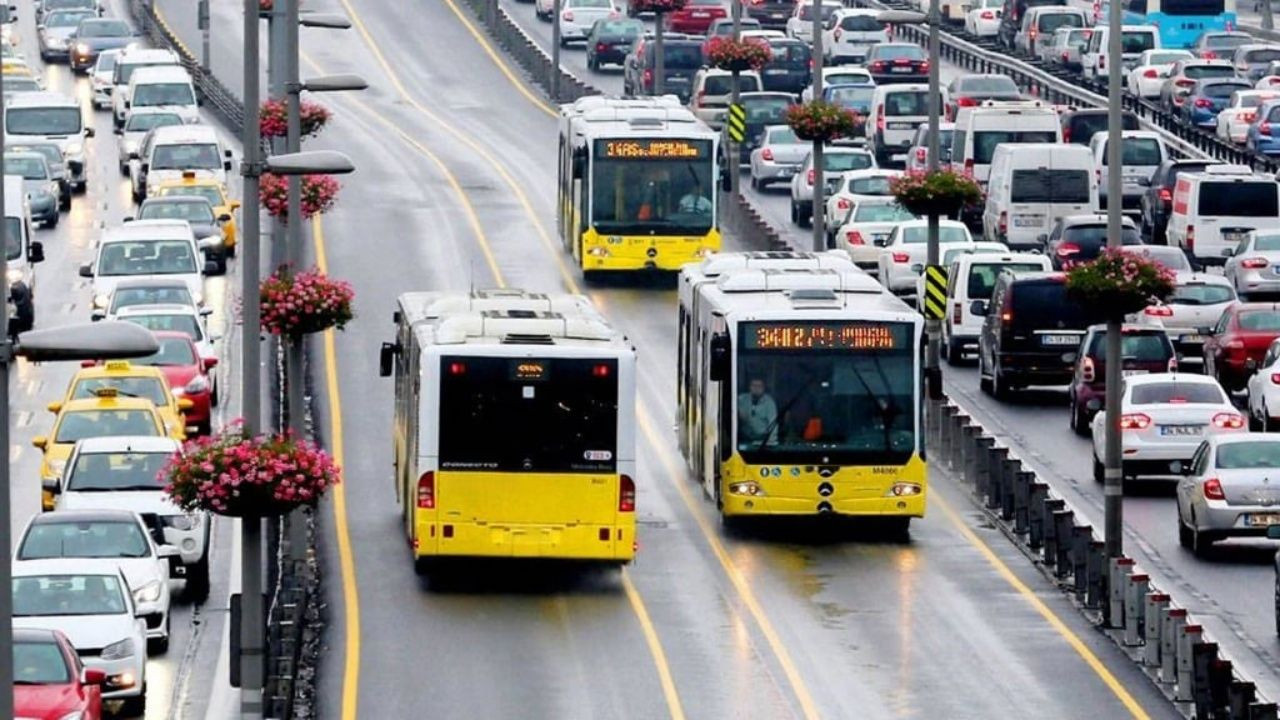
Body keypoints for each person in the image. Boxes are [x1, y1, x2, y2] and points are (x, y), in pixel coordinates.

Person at [738, 377, 778, 444]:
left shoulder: (769, 402)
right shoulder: (741, 399)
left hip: (762, 439)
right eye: (754, 385)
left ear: (764, 388)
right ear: (749, 387)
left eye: (759, 386)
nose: (756, 388)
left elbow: (773, 423)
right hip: (743, 438)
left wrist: (771, 441)